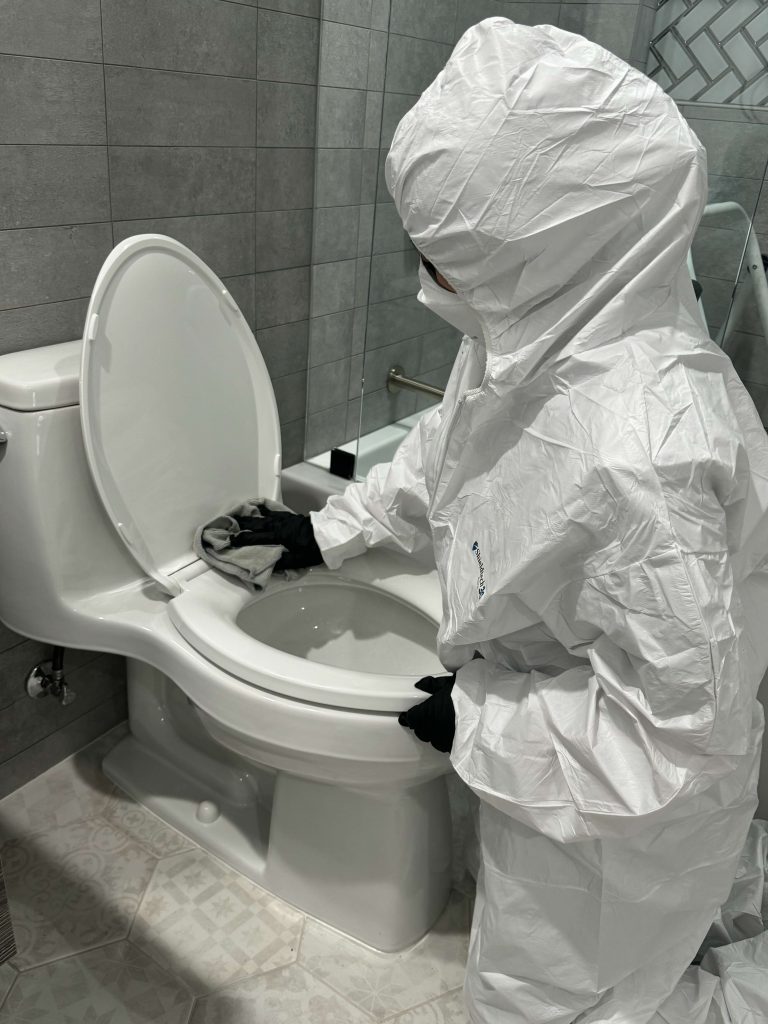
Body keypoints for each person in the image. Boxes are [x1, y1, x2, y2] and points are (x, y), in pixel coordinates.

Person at [235, 18, 768, 1024]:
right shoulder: (546, 326)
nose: (427, 271)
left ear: (548, 241)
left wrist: (476, 720)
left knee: (552, 1004)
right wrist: (326, 529)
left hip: (619, 827)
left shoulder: (652, 446)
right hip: (551, 745)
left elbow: (671, 740)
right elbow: (453, 451)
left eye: (448, 249)